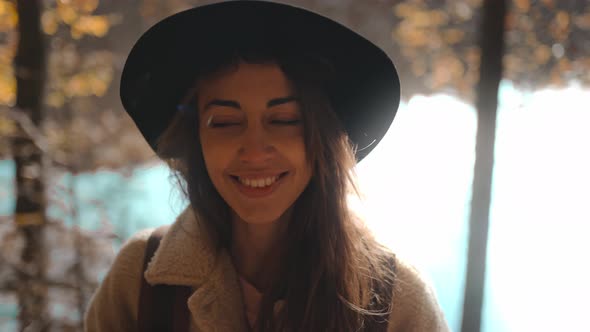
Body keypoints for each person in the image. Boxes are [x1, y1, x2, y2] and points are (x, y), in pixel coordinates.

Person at [84, 1, 450, 331]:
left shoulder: (397, 301)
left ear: (322, 138)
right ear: (196, 140)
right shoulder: (139, 281)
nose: (255, 151)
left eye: (285, 119)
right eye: (225, 122)